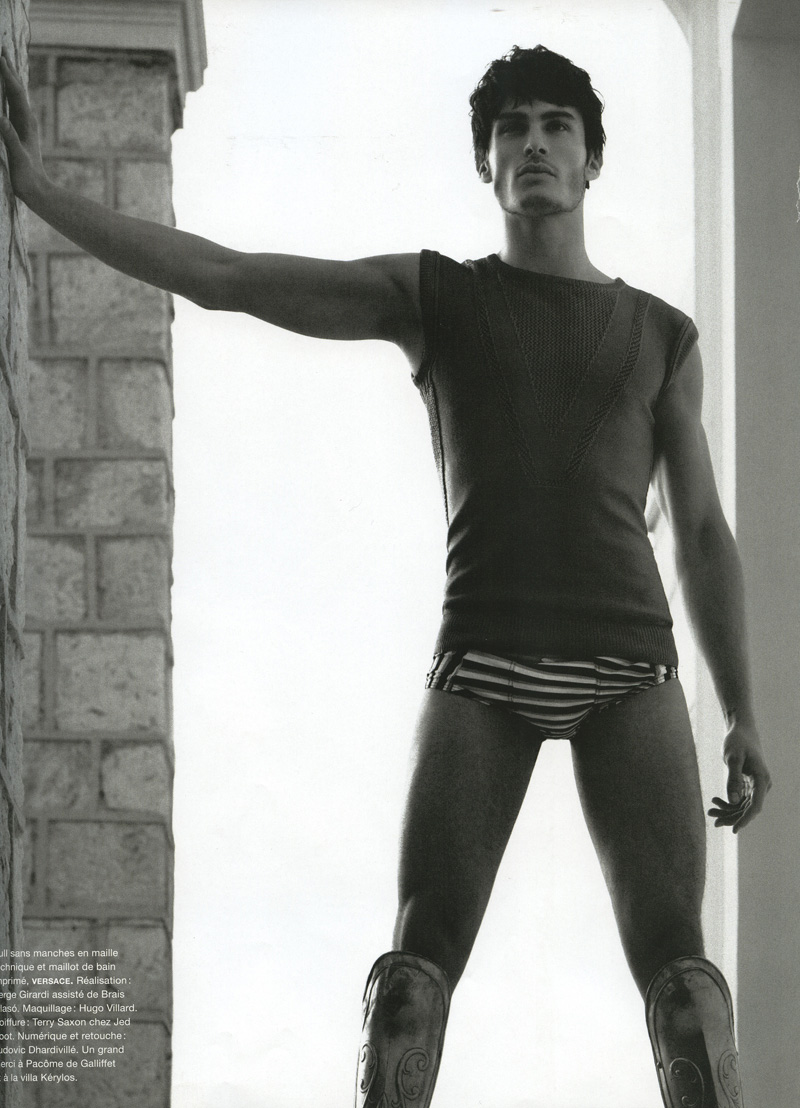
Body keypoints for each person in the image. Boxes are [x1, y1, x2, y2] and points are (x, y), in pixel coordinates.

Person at [1, 42, 772, 1108]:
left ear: (591, 159)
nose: (533, 144)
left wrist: (740, 709)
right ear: (485, 163)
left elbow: (700, 529)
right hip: (483, 664)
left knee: (684, 987)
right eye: (511, 129)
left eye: (556, 126)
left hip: (628, 670)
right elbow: (230, 278)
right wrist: (40, 192)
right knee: (410, 985)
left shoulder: (660, 336)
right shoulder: (435, 296)